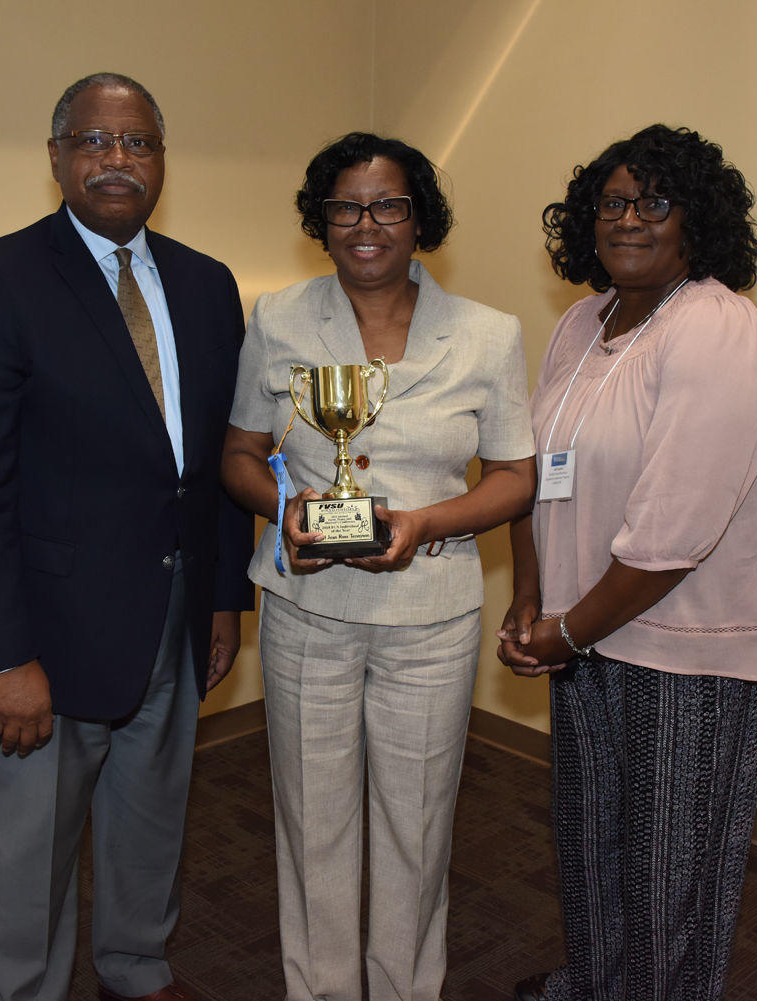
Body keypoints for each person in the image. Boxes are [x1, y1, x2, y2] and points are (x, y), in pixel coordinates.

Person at [0, 72, 252, 1001]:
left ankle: (136, 969)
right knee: (32, 848)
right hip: (46, 633)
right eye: (96, 142)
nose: (117, 160)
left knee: (153, 820)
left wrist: (226, 597)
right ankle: (25, 989)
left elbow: (218, 457)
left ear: (160, 161)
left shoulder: (206, 283)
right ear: (58, 156)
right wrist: (4, 652)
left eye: (137, 143)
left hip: (177, 614)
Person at [221, 132, 536, 1001]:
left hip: (429, 617)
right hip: (307, 609)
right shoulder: (278, 317)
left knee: (416, 829)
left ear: (418, 217)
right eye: (347, 206)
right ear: (321, 221)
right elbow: (240, 451)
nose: (368, 224)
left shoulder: (488, 334)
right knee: (312, 827)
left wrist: (426, 520)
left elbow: (516, 479)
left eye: (389, 204)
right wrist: (281, 508)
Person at [497, 125, 757, 1001]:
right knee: (593, 849)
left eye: (655, 202)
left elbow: (676, 534)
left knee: (673, 876)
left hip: (682, 652)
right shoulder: (582, 325)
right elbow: (535, 467)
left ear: (696, 222)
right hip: (585, 637)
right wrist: (531, 598)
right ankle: (596, 984)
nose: (630, 218)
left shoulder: (714, 331)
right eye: (614, 202)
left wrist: (567, 629)